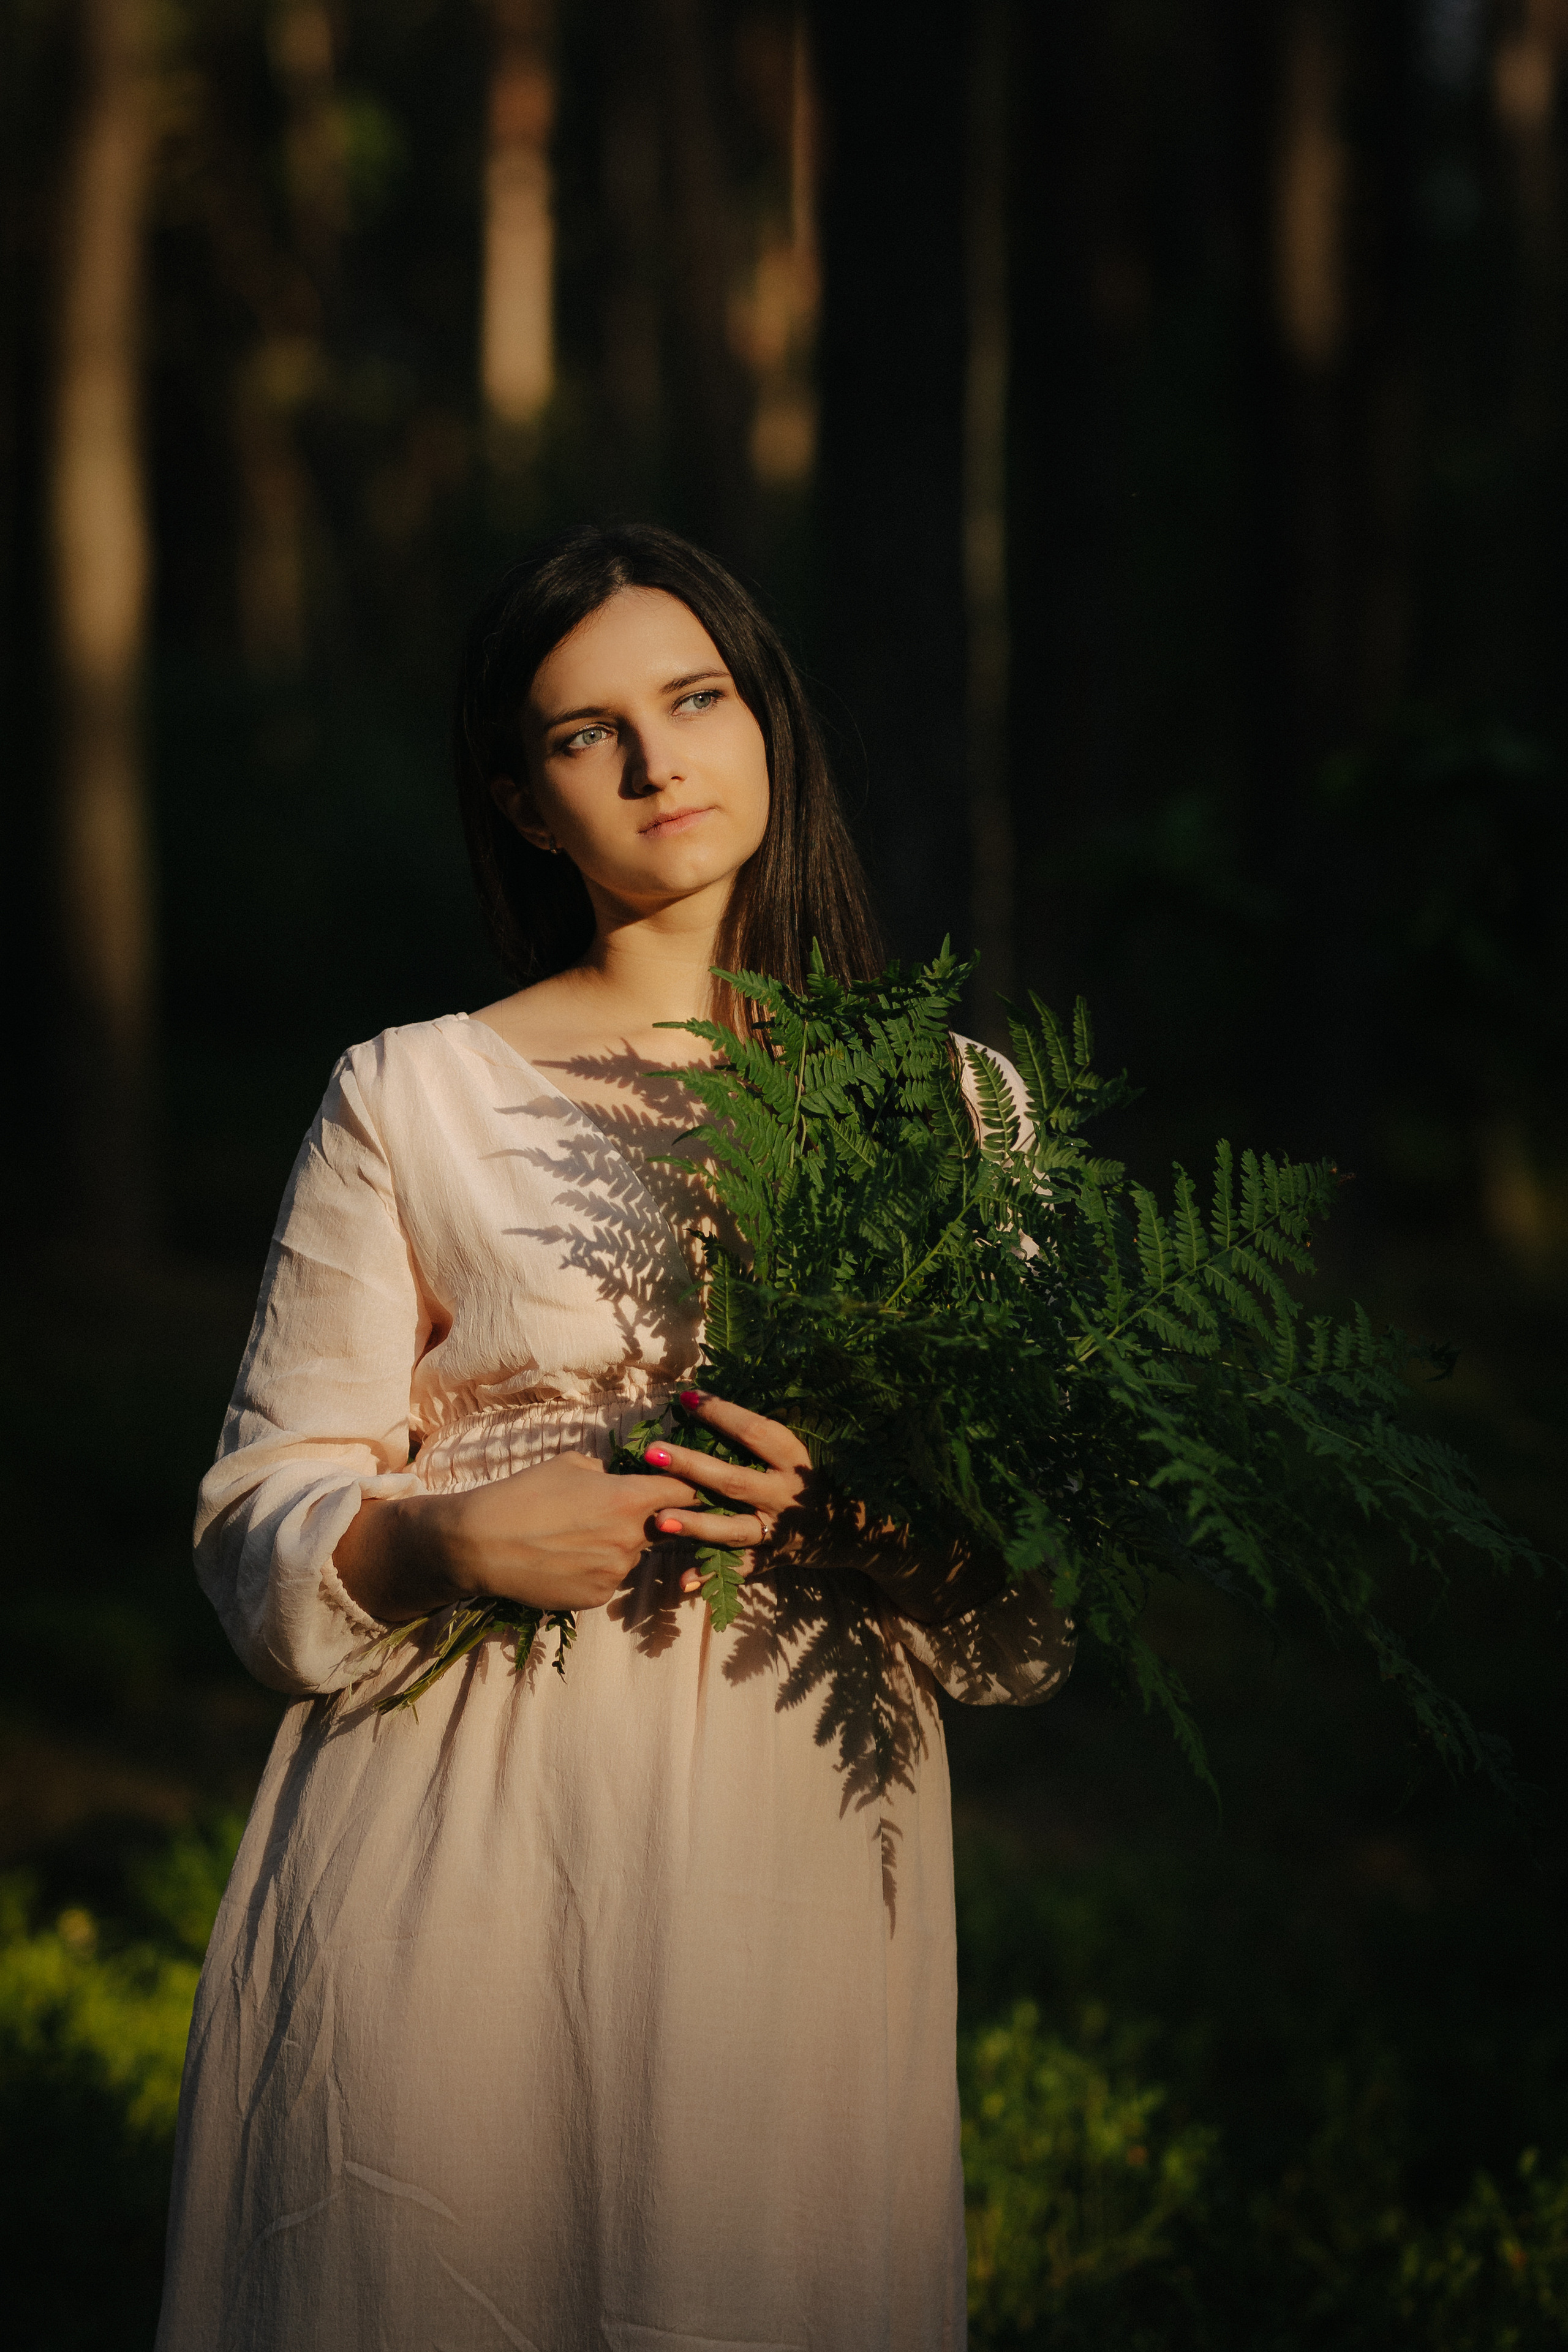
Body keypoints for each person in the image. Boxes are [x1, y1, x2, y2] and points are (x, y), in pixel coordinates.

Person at [155, 523, 1074, 2352]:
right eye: (588, 735)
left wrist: (868, 1523)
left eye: (695, 700)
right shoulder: (411, 1092)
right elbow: (259, 1513)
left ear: (766, 721)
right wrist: (437, 1539)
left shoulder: (959, 1111)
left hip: (801, 1841)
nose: (659, 764)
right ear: (521, 802)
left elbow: (1036, 1588)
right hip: (471, 1833)